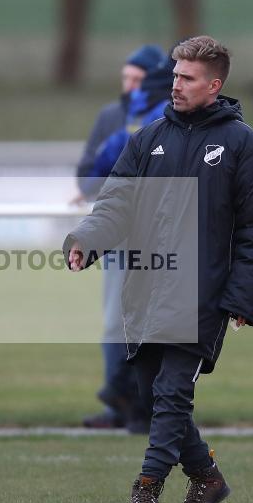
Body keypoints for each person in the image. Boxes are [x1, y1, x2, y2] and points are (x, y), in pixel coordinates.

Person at [64, 36, 253, 503]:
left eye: (187, 78)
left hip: (202, 293)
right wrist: (85, 241)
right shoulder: (149, 137)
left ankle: (147, 487)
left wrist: (243, 297)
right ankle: (207, 477)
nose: (175, 85)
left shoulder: (245, 145)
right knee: (152, 391)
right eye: (175, 75)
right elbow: (115, 203)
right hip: (144, 286)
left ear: (214, 84)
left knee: (172, 393)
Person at [75, 45, 170, 434]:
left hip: (158, 238)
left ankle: (141, 407)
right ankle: (122, 404)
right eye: (126, 77)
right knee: (116, 323)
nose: (130, 86)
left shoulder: (167, 116)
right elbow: (86, 178)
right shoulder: (112, 117)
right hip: (117, 236)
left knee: (154, 325)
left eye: (137, 79)